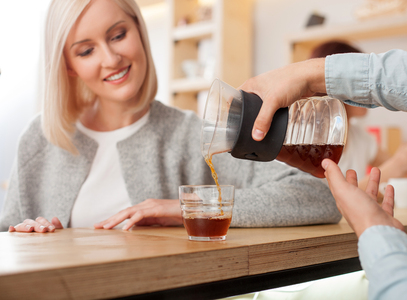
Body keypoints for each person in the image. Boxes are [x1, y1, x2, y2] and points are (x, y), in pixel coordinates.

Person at [0, 0, 342, 233]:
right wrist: (25, 235)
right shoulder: (41, 138)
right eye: (86, 50)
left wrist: (183, 208)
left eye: (118, 35)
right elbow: (7, 238)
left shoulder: (188, 133)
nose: (111, 58)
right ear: (68, 66)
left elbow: (319, 199)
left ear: (139, 31)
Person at [239, 49, 407, 299]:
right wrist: (402, 161)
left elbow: (405, 183)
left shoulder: (361, 137)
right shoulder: (294, 139)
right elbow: (313, 197)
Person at [309, 41, 407, 194]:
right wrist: (401, 162)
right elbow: (328, 200)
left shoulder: (361, 138)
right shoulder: (305, 142)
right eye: (359, 81)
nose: (368, 89)